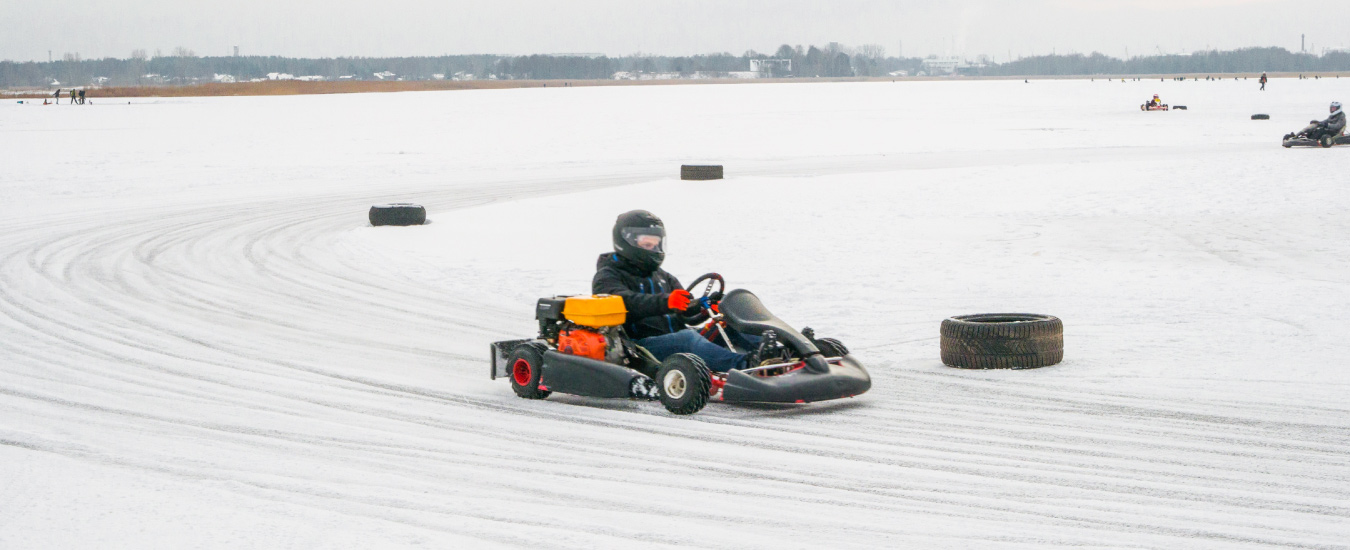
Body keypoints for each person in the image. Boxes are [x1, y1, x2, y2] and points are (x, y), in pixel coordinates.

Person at [592, 210, 764, 373]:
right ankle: (747, 366)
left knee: (728, 323)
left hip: (676, 337)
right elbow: (626, 302)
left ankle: (772, 354)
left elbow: (685, 314)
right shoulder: (607, 276)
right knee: (687, 338)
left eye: (656, 245)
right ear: (626, 242)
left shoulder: (664, 277)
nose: (653, 249)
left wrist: (704, 307)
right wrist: (666, 302)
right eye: (647, 244)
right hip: (639, 348)